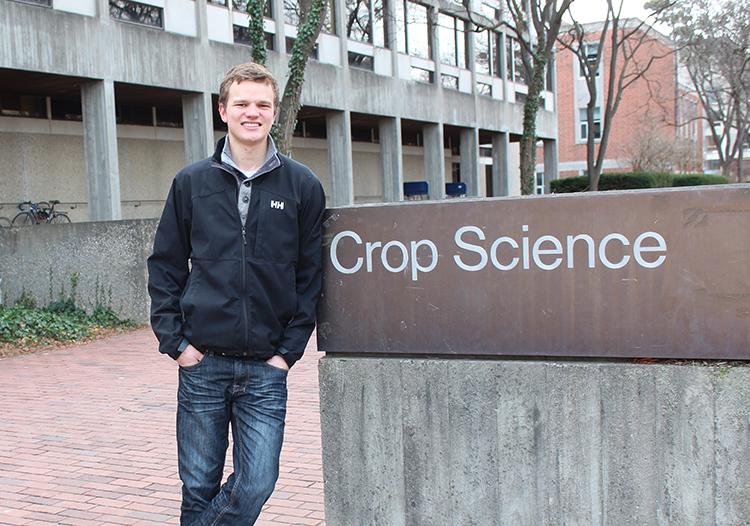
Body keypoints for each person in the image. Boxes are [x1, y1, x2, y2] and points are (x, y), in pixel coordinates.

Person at [147, 62, 326, 525]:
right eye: (242, 103)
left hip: (266, 367)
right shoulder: (191, 183)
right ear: (223, 110)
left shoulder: (302, 185)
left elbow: (310, 275)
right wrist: (176, 343)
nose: (253, 112)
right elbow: (165, 264)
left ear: (274, 112)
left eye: (262, 104)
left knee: (256, 483)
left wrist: (288, 351)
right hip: (202, 361)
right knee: (199, 486)